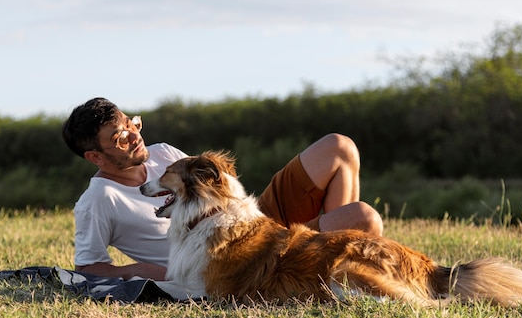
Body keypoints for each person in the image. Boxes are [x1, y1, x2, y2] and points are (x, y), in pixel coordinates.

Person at [62, 97, 383, 280]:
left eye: (132, 124)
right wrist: (142, 270)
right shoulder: (100, 200)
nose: (134, 136)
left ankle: (333, 265)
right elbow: (87, 267)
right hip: (239, 259)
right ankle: (333, 266)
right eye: (120, 137)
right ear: (95, 156)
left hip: (254, 222)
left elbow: (219, 186)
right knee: (363, 219)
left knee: (339, 147)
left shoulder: (163, 152)